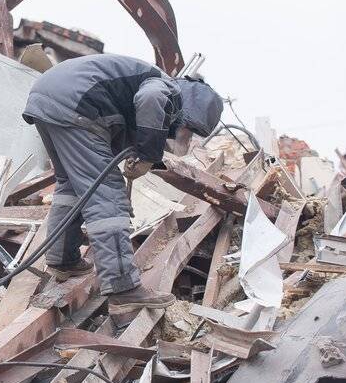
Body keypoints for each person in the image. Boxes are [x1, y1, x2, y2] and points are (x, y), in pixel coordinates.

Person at [23, 53, 223, 314]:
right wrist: (149, 156)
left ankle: (63, 259)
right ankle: (123, 287)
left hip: (48, 97)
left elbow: (120, 120)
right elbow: (150, 99)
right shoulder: (168, 89)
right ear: (191, 108)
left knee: (71, 185)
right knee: (106, 193)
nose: (183, 131)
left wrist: (135, 152)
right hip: (77, 103)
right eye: (188, 126)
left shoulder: (135, 84)